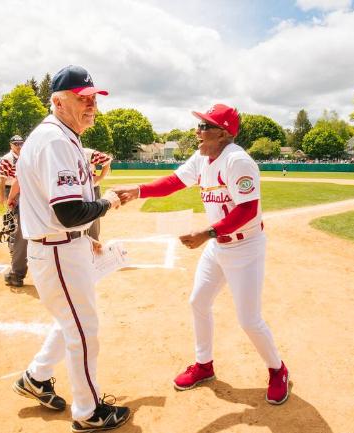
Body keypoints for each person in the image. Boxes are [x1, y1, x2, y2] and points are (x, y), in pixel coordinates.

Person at [114, 103, 289, 405]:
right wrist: (137, 191)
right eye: (199, 125)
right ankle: (204, 365)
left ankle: (278, 369)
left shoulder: (238, 162)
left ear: (222, 133)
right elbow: (173, 182)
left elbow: (247, 211)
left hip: (245, 246)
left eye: (205, 126)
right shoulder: (202, 156)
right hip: (218, 245)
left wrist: (206, 233)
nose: (198, 131)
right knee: (198, 302)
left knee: (249, 320)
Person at [13, 65, 130, 432]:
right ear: (58, 102)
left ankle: (36, 376)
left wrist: (85, 237)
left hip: (64, 245)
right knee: (83, 329)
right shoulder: (55, 140)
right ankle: (89, 411)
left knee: (71, 323)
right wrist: (108, 201)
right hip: (57, 249)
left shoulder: (64, 136)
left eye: (93, 98)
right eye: (82, 98)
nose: (90, 105)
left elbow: (67, 212)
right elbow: (69, 212)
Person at [0, 135, 28, 287]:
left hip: (18, 192)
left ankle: (17, 272)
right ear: (11, 145)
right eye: (16, 143)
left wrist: (10, 197)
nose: (19, 146)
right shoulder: (7, 158)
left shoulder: (25, 156)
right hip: (16, 190)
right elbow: (2, 179)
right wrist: (3, 195)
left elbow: (19, 179)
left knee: (19, 232)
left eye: (21, 143)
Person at [83, 147, 113, 240]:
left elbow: (107, 159)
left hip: (92, 189)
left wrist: (100, 177)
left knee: (93, 218)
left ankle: (94, 243)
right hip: (78, 190)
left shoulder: (86, 152)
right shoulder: (68, 151)